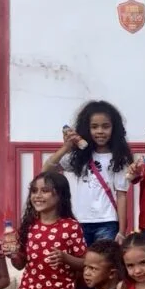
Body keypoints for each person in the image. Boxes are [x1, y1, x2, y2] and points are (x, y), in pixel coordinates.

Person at [43, 100, 133, 245]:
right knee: (82, 265)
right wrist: (66, 147)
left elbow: (121, 195)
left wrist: (122, 231)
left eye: (106, 126)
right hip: (79, 221)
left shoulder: (119, 158)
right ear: (86, 129)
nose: (100, 131)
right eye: (94, 127)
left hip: (108, 222)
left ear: (114, 129)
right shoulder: (79, 156)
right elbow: (46, 170)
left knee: (103, 265)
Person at [7, 171, 88, 289]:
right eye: (34, 191)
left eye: (45, 191)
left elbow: (85, 263)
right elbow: (20, 265)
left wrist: (65, 257)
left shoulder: (70, 226)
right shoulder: (29, 225)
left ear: (60, 195)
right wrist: (13, 255)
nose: (37, 195)